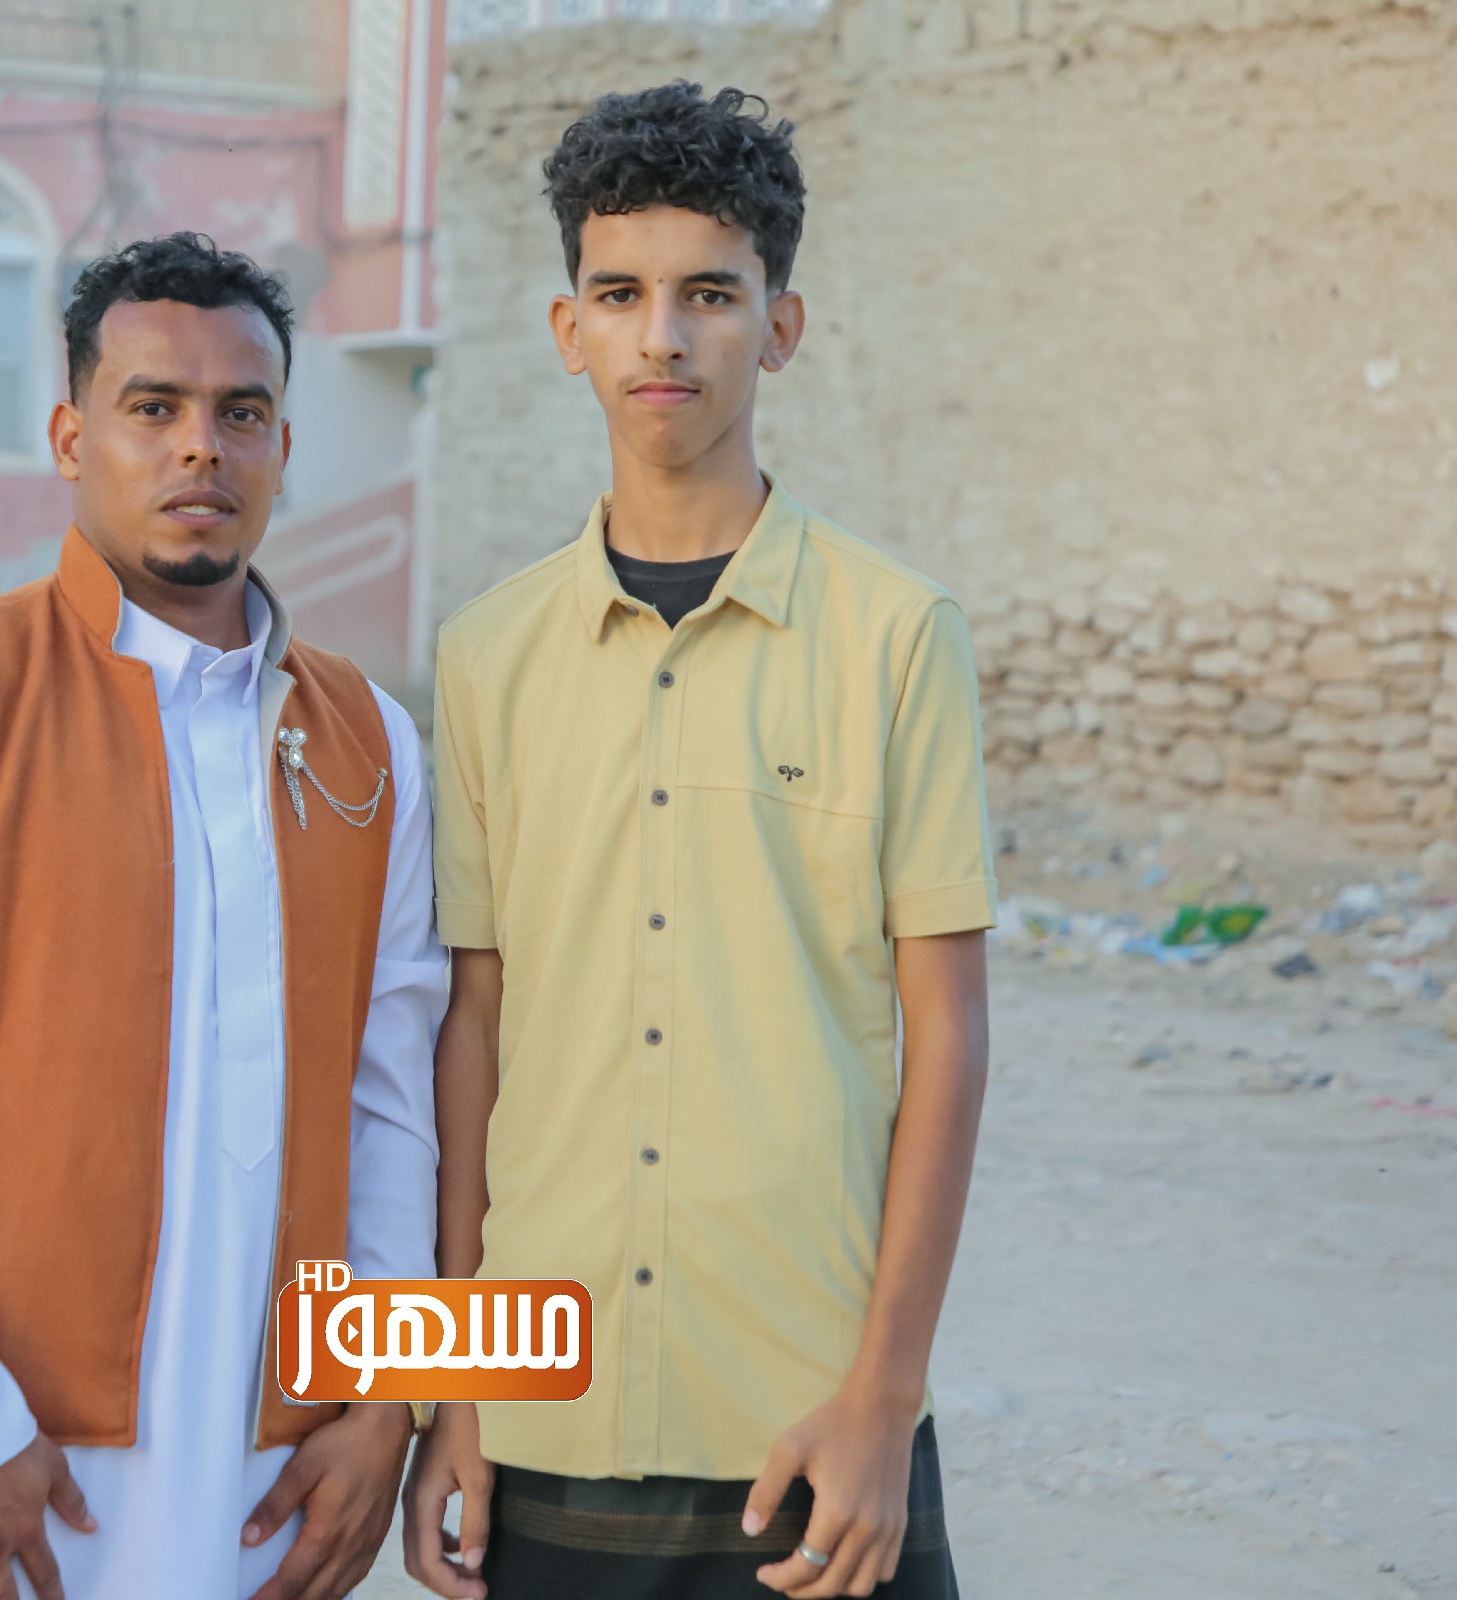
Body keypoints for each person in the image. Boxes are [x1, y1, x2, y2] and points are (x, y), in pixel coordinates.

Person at [0, 232, 443, 1600]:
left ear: (283, 448)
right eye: (154, 407)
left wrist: (385, 1402)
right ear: (71, 438)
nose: (201, 446)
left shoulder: (370, 739)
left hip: (264, 1476)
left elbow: (392, 1104)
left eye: (240, 413)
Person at [403, 83, 994, 1600]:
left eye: (710, 295)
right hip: (544, 1406)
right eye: (621, 294)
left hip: (812, 1418)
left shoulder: (899, 636)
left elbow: (947, 1035)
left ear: (779, 327)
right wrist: (450, 1393)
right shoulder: (483, 656)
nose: (661, 337)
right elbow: (475, 1030)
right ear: (568, 329)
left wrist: (884, 1401)